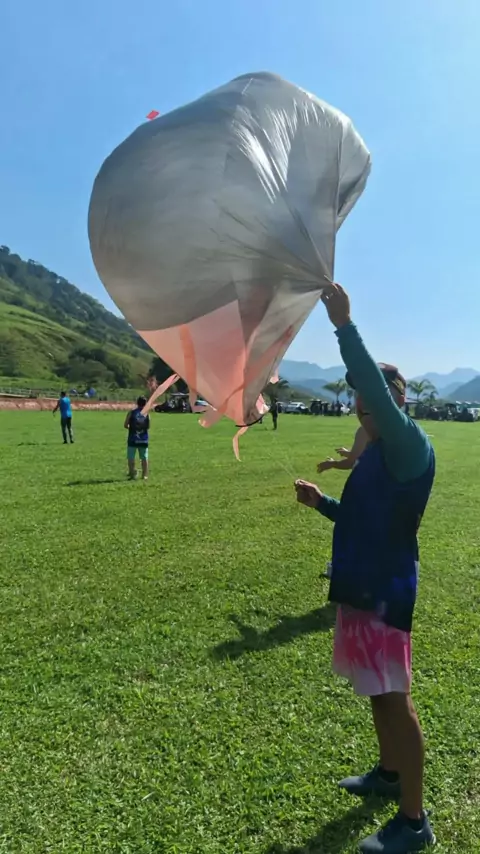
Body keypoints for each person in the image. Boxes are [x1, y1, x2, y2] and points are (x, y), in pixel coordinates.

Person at [295, 283, 435, 854]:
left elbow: (375, 387)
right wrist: (321, 504)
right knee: (377, 693)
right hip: (361, 587)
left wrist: (344, 325)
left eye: (372, 395)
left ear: (398, 400)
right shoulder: (375, 452)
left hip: (386, 593)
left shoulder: (409, 446)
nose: (361, 403)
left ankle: (414, 822)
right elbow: (362, 518)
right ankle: (389, 773)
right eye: (357, 397)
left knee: (395, 697)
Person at [124, 396, 150, 480]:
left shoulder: (132, 412)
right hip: (143, 439)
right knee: (144, 457)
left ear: (137, 402)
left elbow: (125, 425)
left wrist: (132, 429)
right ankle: (144, 475)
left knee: (131, 457)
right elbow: (148, 426)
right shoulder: (147, 413)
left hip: (133, 438)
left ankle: (132, 474)